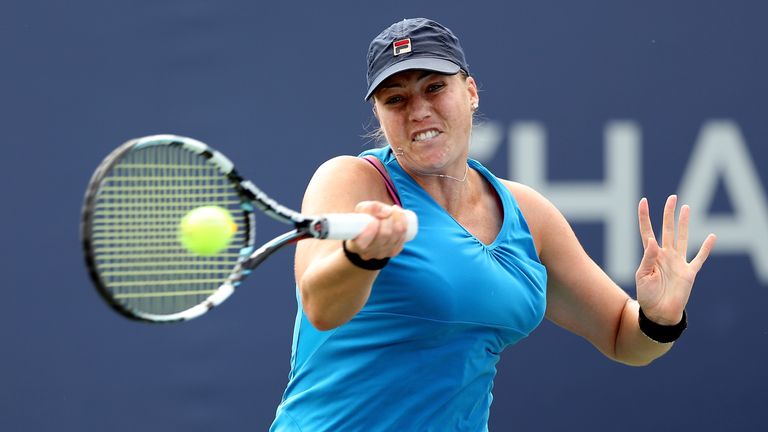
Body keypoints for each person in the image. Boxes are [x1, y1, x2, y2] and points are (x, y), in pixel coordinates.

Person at [270, 18, 716, 431]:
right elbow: (321, 307)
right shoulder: (353, 180)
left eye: (434, 87)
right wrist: (360, 257)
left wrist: (660, 319)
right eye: (396, 99)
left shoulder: (528, 213)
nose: (418, 110)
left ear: (471, 92)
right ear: (380, 116)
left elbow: (622, 337)